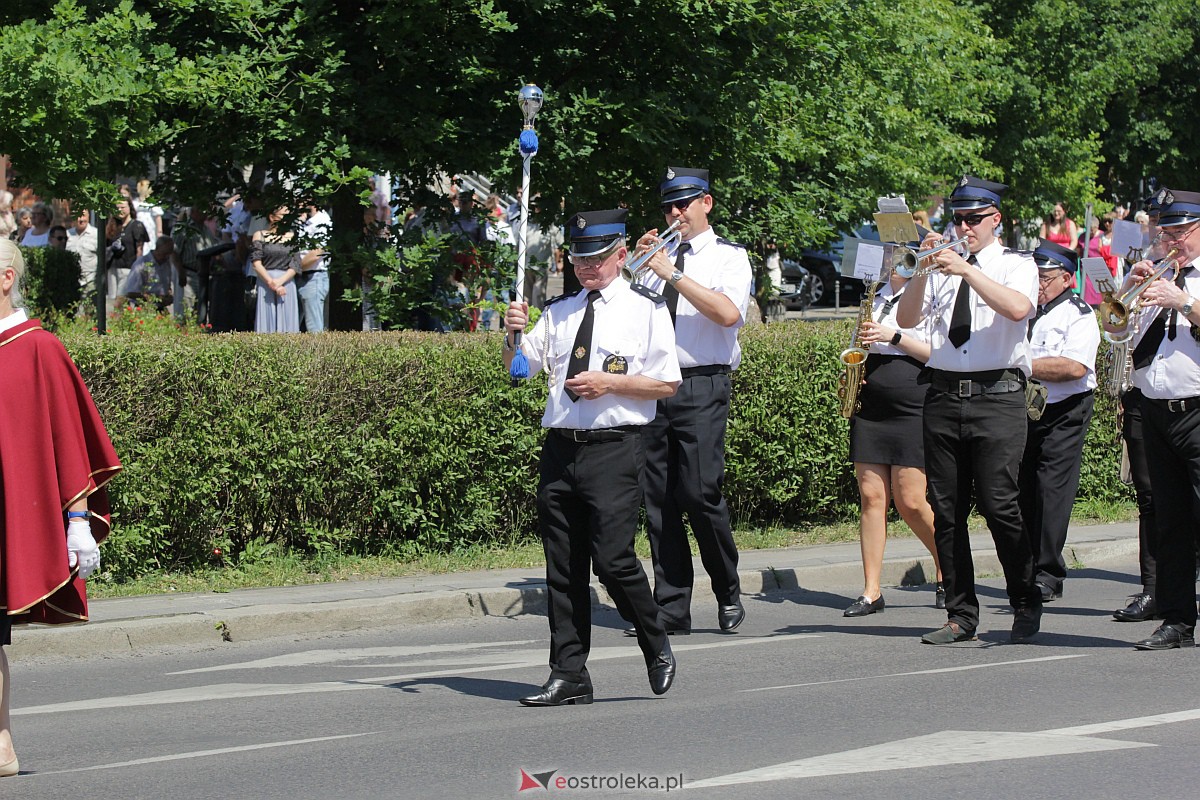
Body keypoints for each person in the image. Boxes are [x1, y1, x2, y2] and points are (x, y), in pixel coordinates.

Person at [502, 208, 680, 705]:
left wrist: (611, 383)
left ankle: (653, 637)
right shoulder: (560, 310)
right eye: (579, 260)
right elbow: (521, 368)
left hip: (614, 448)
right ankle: (569, 673)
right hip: (561, 449)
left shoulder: (646, 308)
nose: (586, 268)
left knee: (613, 559)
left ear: (622, 256)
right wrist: (513, 333)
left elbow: (667, 382)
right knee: (563, 567)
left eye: (597, 259)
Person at [896, 175, 1044, 645]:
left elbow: (1018, 309)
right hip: (942, 395)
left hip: (997, 395)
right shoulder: (940, 267)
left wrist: (967, 270)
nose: (964, 227)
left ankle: (1024, 598)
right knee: (947, 509)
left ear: (994, 220)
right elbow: (905, 320)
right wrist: (921, 269)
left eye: (973, 219)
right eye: (958, 219)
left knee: (1001, 505)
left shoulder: (1015, 264)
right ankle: (960, 614)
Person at [0, 238, 121, 776]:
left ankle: (1, 742)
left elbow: (66, 439)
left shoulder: (39, 346)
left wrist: (77, 523)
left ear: (6, 277)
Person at [629, 166, 752, 635]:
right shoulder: (658, 255)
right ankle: (672, 605)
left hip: (702, 383)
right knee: (657, 498)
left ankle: (726, 588)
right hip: (655, 385)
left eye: (684, 204)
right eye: (668, 206)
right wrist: (635, 266)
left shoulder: (728, 257)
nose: (675, 214)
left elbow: (726, 314)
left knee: (701, 493)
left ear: (707, 203)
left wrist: (672, 273)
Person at [1105, 188, 1200, 649]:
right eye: (1168, 232)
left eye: (1181, 232)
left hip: (1198, 410)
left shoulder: (1186, 284)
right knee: (1171, 520)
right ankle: (1178, 619)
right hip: (1155, 412)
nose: (1172, 241)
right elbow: (1111, 327)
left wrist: (1182, 301)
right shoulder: (1155, 275)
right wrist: (1128, 288)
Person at [843, 258, 943, 616]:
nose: (892, 264)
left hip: (915, 404)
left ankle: (947, 568)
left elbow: (938, 355)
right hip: (872, 407)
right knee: (871, 498)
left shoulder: (933, 295)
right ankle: (871, 591)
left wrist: (893, 336)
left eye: (901, 257)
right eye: (890, 258)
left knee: (911, 501)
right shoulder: (878, 296)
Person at [1020, 240, 1100, 602]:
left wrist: (1020, 364)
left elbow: (1073, 367)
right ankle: (1027, 567)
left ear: (1066, 279)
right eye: (1034, 276)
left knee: (1052, 491)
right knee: (1023, 489)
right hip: (1027, 407)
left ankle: (1049, 574)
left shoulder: (1078, 313)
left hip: (1065, 410)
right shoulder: (1026, 310)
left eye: (1045, 278)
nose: (1037, 284)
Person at [251, 206, 301, 333]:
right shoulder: (260, 235)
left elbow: (295, 264)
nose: (286, 220)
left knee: (288, 323)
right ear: (272, 217)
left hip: (286, 282)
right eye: (283, 215)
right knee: (267, 321)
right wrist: (271, 282)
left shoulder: (292, 237)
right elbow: (256, 262)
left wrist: (280, 282)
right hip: (266, 281)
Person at [105, 197, 150, 311]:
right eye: (118, 208)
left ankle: (121, 323)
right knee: (113, 300)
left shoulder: (136, 226)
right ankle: (115, 324)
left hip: (128, 268)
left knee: (122, 299)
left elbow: (139, 249)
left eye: (123, 207)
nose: (120, 210)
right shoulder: (112, 226)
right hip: (113, 267)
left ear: (130, 207)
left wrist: (138, 270)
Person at [296, 205, 331, 332]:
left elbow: (317, 253)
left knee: (313, 327)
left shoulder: (322, 220)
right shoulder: (303, 220)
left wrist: (294, 268)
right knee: (296, 327)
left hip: (313, 276)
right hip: (301, 275)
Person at [121, 236, 175, 311]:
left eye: (170, 253)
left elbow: (167, 287)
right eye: (165, 253)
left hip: (161, 309)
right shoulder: (141, 264)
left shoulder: (166, 264)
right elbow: (130, 292)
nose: (167, 256)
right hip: (144, 308)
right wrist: (155, 298)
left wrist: (169, 297)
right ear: (158, 249)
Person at [65, 210, 99, 293]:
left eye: (83, 215)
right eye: (77, 216)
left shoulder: (96, 234)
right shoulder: (67, 234)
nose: (80, 219)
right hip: (71, 282)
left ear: (88, 216)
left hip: (91, 281)